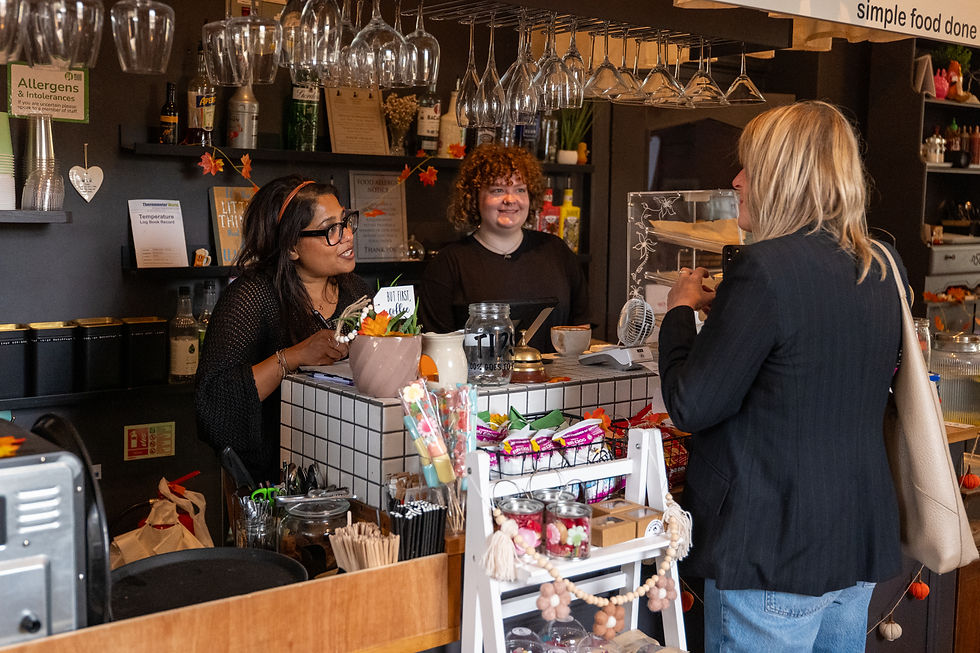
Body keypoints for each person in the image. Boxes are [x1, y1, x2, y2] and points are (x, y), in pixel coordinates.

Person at [657, 101, 906, 652]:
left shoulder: (763, 267)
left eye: (749, 167)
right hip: (855, 537)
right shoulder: (882, 263)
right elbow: (809, 361)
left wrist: (677, 312)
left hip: (772, 545)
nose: (736, 180)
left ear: (782, 176)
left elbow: (691, 403)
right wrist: (728, 321)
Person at [196, 174, 370, 484]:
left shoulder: (354, 290)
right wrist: (294, 356)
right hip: (274, 480)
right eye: (332, 229)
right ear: (291, 247)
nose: (346, 236)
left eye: (346, 222)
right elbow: (215, 405)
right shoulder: (252, 296)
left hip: (349, 464)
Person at [419, 143, 589, 352]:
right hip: (479, 384)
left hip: (557, 381)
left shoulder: (556, 251)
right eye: (498, 190)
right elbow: (436, 350)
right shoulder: (448, 263)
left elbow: (581, 329)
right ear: (474, 197)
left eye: (520, 189)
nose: (510, 200)